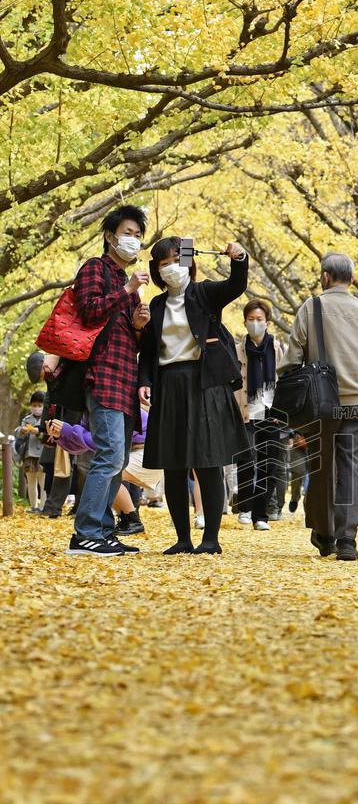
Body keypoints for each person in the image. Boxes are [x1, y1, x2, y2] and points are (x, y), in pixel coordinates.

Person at [278, 252, 358, 561]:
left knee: (321, 470)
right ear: (352, 280)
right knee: (353, 469)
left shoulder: (311, 308)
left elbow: (290, 361)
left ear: (326, 277)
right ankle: (348, 538)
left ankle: (325, 533)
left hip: (322, 405)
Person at [139, 236, 249, 555]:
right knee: (173, 465)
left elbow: (235, 285)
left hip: (204, 383)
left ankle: (211, 538)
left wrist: (239, 258)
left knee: (207, 461)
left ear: (188, 261)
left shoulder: (204, 293)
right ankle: (182, 539)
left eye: (176, 259)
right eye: (163, 263)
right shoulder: (156, 306)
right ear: (157, 270)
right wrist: (144, 381)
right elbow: (147, 352)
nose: (171, 267)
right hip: (168, 384)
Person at [66, 205, 151, 555]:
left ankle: (101, 531)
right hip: (101, 376)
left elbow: (126, 336)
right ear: (110, 236)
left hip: (126, 380)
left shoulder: (126, 287)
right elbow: (88, 310)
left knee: (116, 459)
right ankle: (84, 532)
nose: (134, 240)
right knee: (109, 455)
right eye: (128, 233)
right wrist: (128, 288)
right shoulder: (95, 268)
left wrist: (138, 325)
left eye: (138, 235)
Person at [45, 410, 160, 536]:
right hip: (136, 451)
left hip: (149, 452)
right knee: (105, 475)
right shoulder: (89, 412)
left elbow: (106, 441)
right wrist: (60, 435)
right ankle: (127, 519)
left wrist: (68, 431)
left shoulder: (110, 406)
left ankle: (132, 520)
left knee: (107, 475)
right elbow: (82, 445)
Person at [234, 299, 285, 530]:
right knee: (245, 461)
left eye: (259, 320)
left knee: (269, 463)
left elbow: (284, 380)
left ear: (268, 322)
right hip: (244, 409)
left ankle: (260, 513)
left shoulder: (277, 348)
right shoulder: (236, 350)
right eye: (251, 319)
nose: (255, 323)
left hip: (270, 410)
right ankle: (244, 507)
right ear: (244, 322)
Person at [15, 391, 46, 512]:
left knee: (43, 483)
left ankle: (43, 507)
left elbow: (49, 435)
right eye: (34, 405)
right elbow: (18, 434)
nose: (37, 408)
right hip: (29, 454)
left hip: (43, 454)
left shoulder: (47, 418)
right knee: (31, 481)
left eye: (40, 405)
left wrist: (38, 433)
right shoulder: (27, 419)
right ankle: (34, 507)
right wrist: (22, 431)